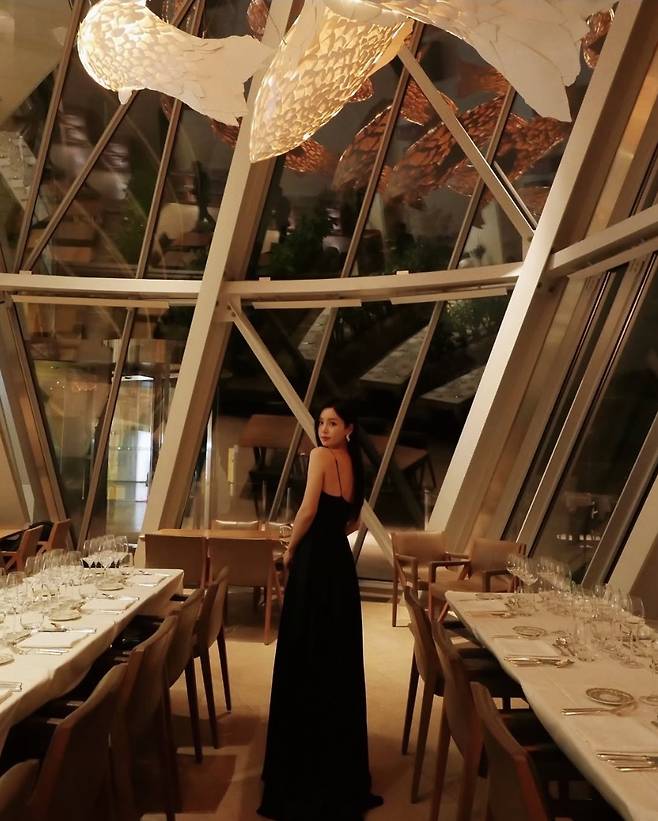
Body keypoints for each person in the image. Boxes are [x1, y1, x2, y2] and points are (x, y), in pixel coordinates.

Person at [258, 398, 383, 821]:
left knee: (304, 657)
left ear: (349, 427)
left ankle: (301, 775)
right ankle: (339, 772)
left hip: (314, 564)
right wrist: (328, 536)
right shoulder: (353, 463)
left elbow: (309, 509)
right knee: (337, 663)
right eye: (321, 423)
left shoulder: (320, 457)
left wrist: (291, 549)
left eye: (332, 422)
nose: (324, 429)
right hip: (339, 567)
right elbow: (352, 521)